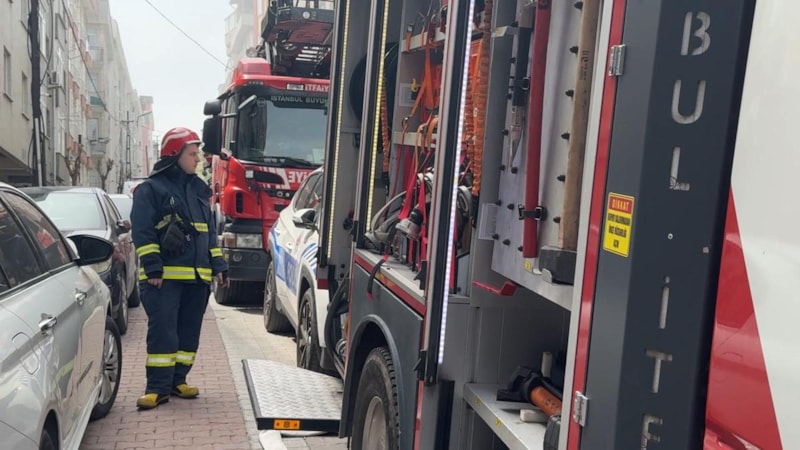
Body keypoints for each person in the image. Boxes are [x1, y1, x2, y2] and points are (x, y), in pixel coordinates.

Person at [130, 127, 229, 409]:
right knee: (164, 333)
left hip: (197, 279)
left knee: (188, 333)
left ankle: (178, 381)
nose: (197, 159)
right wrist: (153, 268)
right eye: (192, 154)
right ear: (175, 155)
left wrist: (218, 265)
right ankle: (157, 388)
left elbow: (209, 234)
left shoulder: (198, 190)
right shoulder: (151, 190)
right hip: (164, 280)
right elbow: (143, 231)